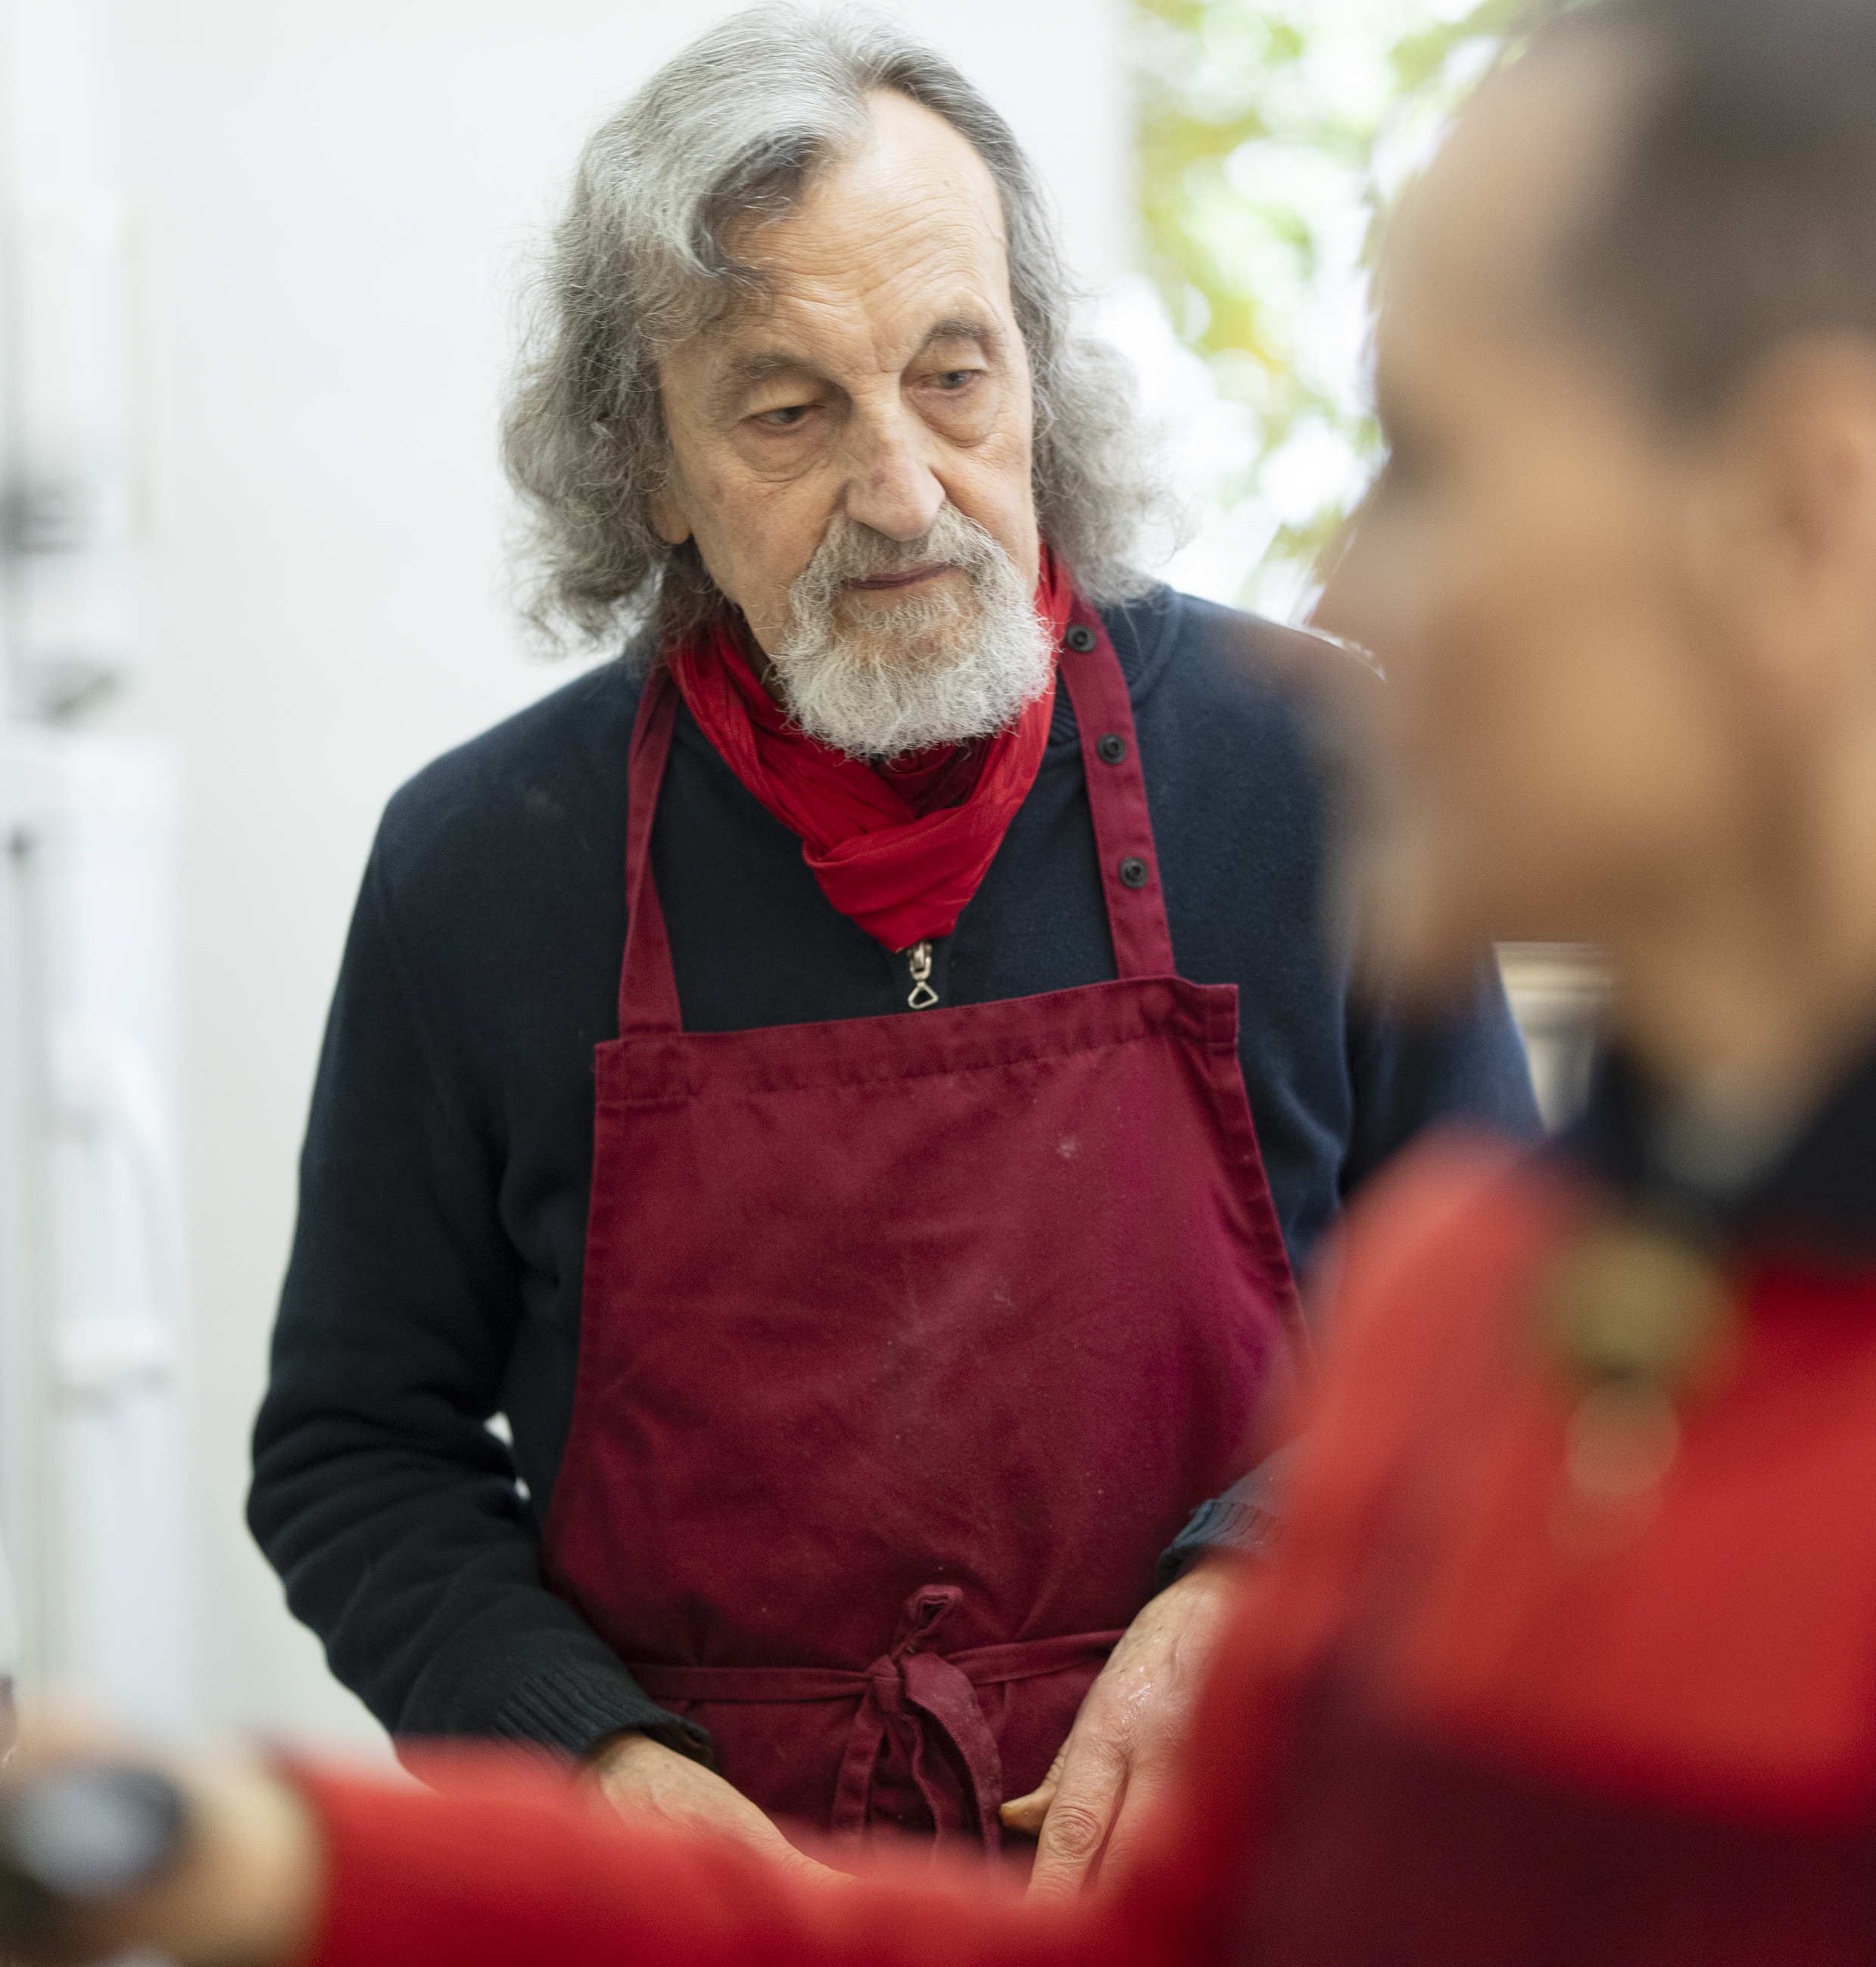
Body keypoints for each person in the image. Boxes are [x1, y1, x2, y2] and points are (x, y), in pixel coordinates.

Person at [245, 0, 1536, 1891]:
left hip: (1249, 1862)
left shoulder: (1317, 774)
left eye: (955, 376)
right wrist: (592, 1765)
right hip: (703, 1916)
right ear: (655, 471)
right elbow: (359, 1448)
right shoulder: (479, 870)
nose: (903, 490)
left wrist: (1246, 1594)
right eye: (789, 410)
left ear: (1041, 379)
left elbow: (1520, 1319)